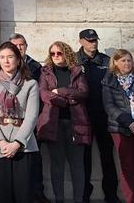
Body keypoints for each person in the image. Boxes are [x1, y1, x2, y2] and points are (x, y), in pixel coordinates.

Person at [0, 41, 39, 203]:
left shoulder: (30, 84)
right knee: (3, 195)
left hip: (24, 145)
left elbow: (32, 116)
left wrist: (17, 143)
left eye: (10, 57)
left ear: (18, 60)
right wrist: (1, 142)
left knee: (24, 195)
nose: (6, 61)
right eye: (2, 57)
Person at [37, 41, 90, 203]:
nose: (55, 56)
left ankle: (78, 200)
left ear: (66, 53)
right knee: (57, 164)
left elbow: (83, 92)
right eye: (52, 53)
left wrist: (60, 91)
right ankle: (59, 199)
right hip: (54, 123)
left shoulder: (77, 71)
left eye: (59, 53)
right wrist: (66, 100)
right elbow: (44, 94)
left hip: (76, 123)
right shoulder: (45, 72)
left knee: (77, 165)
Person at [102, 49, 134, 203]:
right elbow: (109, 107)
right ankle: (130, 200)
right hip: (120, 129)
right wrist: (130, 123)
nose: (127, 63)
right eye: (123, 60)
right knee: (127, 168)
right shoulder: (108, 81)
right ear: (116, 63)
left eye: (129, 60)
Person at [77, 29, 120, 203]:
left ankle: (111, 195)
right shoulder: (73, 60)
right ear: (81, 42)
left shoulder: (106, 61)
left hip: (103, 115)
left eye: (95, 40)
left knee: (107, 157)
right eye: (89, 40)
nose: (93, 43)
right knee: (83, 158)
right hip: (82, 116)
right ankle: (84, 194)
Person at [10, 33, 48, 203]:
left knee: (34, 158)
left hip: (32, 118)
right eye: (15, 45)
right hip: (12, 119)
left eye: (22, 45)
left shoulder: (36, 67)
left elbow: (41, 92)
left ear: (26, 46)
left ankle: (37, 194)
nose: (19, 48)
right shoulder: (6, 65)